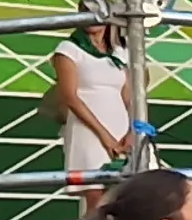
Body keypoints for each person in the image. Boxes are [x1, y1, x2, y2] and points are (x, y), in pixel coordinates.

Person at [51, 13, 140, 188]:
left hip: (120, 129)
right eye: (86, 13)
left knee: (124, 194)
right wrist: (104, 136)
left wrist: (132, 131)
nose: (92, 19)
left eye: (96, 13)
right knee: (96, 194)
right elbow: (70, 97)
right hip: (88, 129)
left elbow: (130, 96)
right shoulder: (69, 49)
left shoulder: (119, 52)